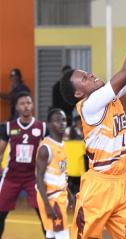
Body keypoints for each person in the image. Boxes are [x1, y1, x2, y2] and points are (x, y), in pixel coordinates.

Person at [59, 0, 126, 239]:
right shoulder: (90, 104)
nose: (92, 75)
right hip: (100, 186)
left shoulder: (109, 96)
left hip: (125, 184)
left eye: (88, 73)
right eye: (85, 78)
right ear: (78, 92)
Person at [0, 91, 46, 238]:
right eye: (22, 103)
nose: (26, 106)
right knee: (0, 213)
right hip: (11, 177)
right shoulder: (8, 127)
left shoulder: (42, 127)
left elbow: (50, 150)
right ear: (17, 108)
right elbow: (0, 151)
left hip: (32, 178)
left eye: (28, 103)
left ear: (32, 105)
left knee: (44, 212)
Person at [36, 108, 75, 239]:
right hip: (52, 199)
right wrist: (47, 205)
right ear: (49, 124)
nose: (62, 123)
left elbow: (61, 174)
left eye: (64, 120)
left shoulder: (62, 144)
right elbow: (39, 179)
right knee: (63, 235)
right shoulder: (45, 148)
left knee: (51, 234)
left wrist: (69, 193)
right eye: (57, 120)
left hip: (60, 196)